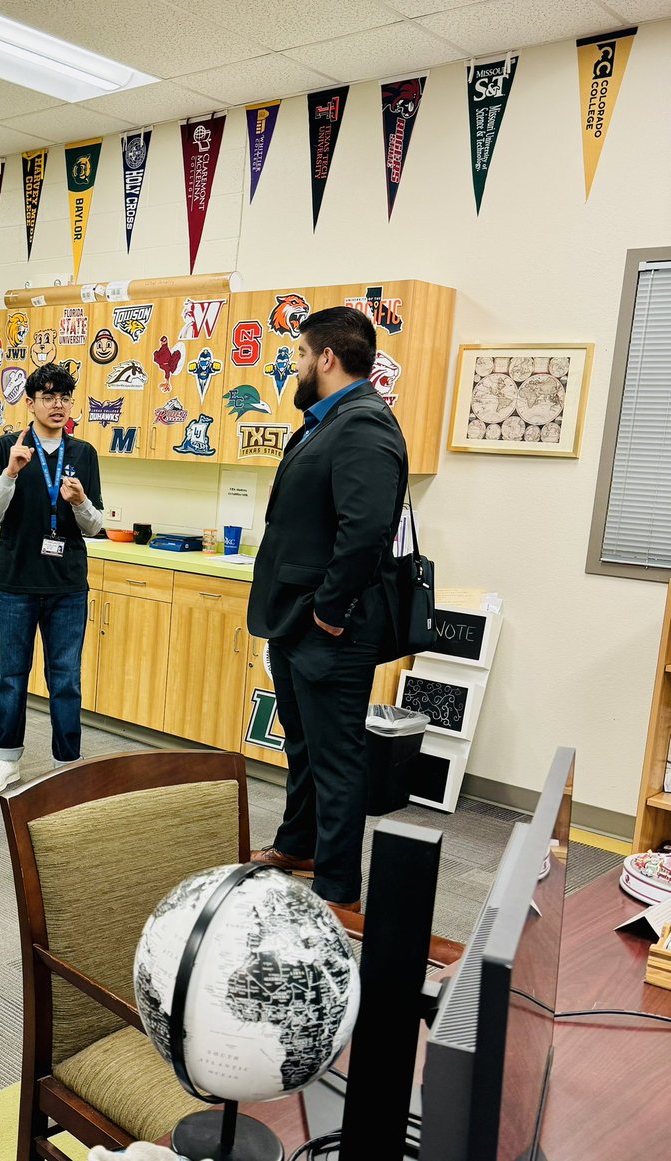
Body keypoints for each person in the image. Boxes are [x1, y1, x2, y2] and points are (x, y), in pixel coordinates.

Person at [245, 306, 407, 912]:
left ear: (327, 359)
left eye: (298, 356)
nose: (294, 366)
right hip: (295, 620)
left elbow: (365, 532)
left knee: (337, 757)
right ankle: (300, 845)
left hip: (330, 627)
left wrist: (330, 609)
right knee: (304, 746)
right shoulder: (322, 423)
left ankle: (338, 888)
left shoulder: (364, 424)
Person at [0, 363, 104, 794]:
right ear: (29, 403)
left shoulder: (83, 452)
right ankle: (5, 759)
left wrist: (82, 501)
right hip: (15, 582)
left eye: (64, 398)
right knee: (12, 675)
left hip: (67, 585)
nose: (58, 405)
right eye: (48, 397)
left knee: (65, 679)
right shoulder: (5, 448)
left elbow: (93, 526)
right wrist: (10, 473)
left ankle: (68, 762)